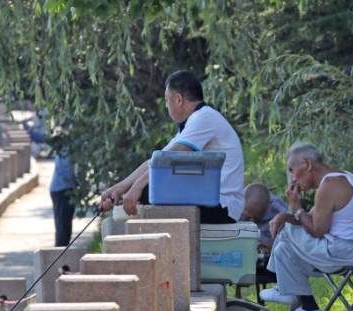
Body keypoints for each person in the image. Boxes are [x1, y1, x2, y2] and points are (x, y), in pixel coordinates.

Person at [99, 70, 245, 223]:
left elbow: (168, 161)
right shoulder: (192, 123)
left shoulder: (204, 118)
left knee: (149, 190)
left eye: (167, 100)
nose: (167, 106)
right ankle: (125, 205)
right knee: (147, 190)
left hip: (223, 205)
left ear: (178, 99)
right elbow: (155, 161)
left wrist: (136, 188)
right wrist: (120, 188)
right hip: (208, 200)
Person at [261, 142, 353, 311]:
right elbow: (309, 220)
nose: (292, 178)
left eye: (292, 170)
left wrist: (295, 208)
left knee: (287, 231)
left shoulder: (329, 185)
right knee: (286, 246)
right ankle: (308, 307)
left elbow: (317, 230)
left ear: (307, 164)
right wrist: (287, 215)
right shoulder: (339, 177)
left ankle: (286, 290)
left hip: (345, 252)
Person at [242, 183, 288, 249]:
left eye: (254, 215)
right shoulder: (242, 205)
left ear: (266, 207)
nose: (251, 218)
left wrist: (268, 244)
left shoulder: (279, 209)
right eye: (248, 216)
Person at [50, 151, 77, 246]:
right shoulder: (68, 144)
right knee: (63, 228)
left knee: (65, 227)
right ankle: (59, 256)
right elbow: (67, 173)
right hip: (62, 189)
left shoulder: (65, 142)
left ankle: (62, 253)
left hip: (62, 188)